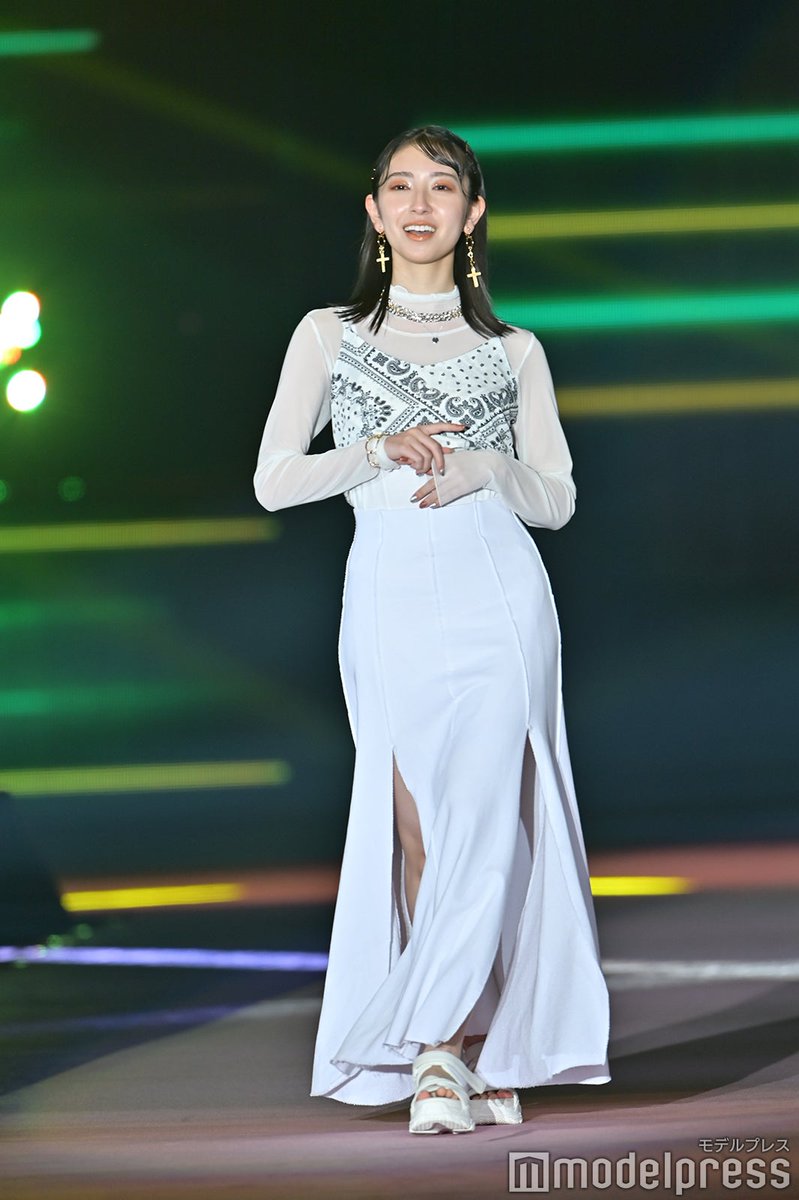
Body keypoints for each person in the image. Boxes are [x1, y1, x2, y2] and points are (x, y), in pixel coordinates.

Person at [254, 125, 610, 1135]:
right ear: (373, 212)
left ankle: (439, 1054)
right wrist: (376, 450)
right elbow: (275, 481)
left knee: (491, 819)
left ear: (472, 209)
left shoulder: (514, 351)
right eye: (399, 187)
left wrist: (485, 467)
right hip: (389, 593)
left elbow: (556, 499)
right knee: (419, 827)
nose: (419, 205)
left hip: (498, 587)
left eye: (440, 186)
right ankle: (461, 1037)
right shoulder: (328, 336)